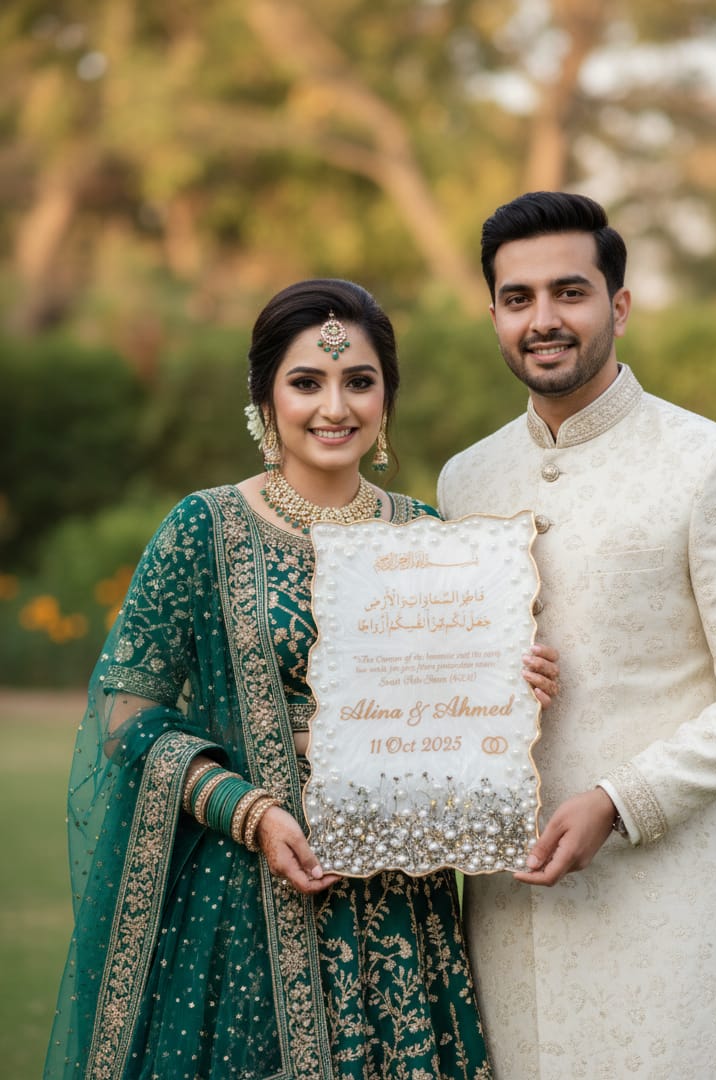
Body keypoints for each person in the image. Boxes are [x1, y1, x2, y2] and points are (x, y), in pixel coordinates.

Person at [44, 278, 559, 1080]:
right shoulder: (204, 528)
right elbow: (124, 709)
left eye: (360, 381)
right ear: (263, 398)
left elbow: (450, 708)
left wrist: (512, 683)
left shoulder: (425, 535)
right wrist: (246, 811)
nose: (335, 406)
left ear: (387, 399)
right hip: (244, 896)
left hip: (398, 900)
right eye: (306, 381)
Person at [437, 192, 716, 1079]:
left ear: (620, 305)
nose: (544, 320)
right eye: (518, 297)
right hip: (503, 910)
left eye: (570, 291)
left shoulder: (712, 462)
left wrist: (619, 798)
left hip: (664, 910)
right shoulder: (466, 477)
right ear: (493, 313)